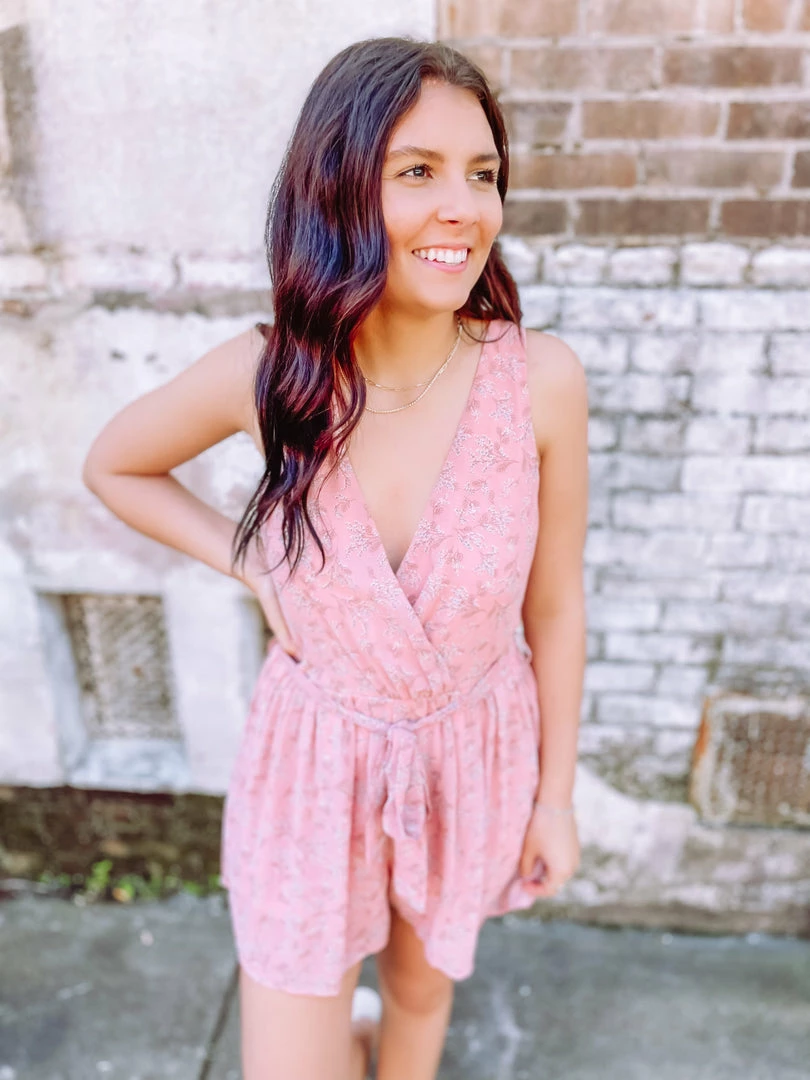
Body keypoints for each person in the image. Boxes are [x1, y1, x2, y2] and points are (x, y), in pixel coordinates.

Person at [82, 35, 588, 1080]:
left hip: (470, 756)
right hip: (313, 767)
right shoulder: (269, 376)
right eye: (419, 172)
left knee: (420, 997)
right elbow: (116, 466)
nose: (464, 207)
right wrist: (252, 565)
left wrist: (554, 799)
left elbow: (556, 607)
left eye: (482, 174)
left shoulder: (539, 381)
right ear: (340, 188)